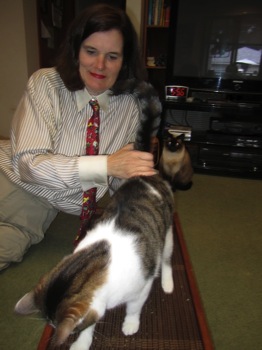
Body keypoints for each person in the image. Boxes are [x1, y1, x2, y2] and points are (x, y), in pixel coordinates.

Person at [0, 4, 161, 271]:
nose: (100, 65)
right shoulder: (46, 84)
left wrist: (140, 211)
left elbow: (121, 176)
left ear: (125, 61)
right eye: (91, 51)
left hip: (44, 209)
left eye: (112, 56)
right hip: (14, 183)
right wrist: (106, 165)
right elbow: (28, 166)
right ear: (76, 50)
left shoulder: (133, 105)